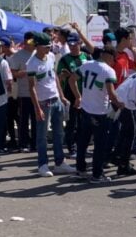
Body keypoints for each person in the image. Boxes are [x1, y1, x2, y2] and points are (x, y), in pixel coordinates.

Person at [72, 47, 120, 183]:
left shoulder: (86, 64)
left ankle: (80, 169)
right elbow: (111, 93)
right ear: (109, 57)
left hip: (86, 109)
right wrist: (120, 104)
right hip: (100, 112)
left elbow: (72, 79)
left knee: (83, 142)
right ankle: (97, 174)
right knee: (100, 144)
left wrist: (78, 96)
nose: (113, 62)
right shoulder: (108, 71)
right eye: (113, 59)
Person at [27, 32, 73, 177]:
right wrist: (37, 107)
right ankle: (43, 164)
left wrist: (62, 95)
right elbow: (31, 87)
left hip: (56, 100)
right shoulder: (31, 64)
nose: (48, 49)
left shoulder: (51, 57)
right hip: (43, 102)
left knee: (59, 133)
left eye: (49, 46)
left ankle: (60, 163)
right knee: (42, 135)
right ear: (38, 47)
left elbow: (54, 79)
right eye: (46, 47)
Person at [57, 24, 95, 159]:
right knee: (72, 122)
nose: (73, 47)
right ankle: (71, 148)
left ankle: (81, 147)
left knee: (84, 123)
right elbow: (58, 78)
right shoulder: (64, 59)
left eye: (75, 44)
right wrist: (62, 95)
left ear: (79, 43)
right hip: (71, 94)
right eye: (70, 44)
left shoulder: (87, 57)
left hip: (87, 94)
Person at [8, 34, 35, 153]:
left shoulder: (38, 54)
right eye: (30, 40)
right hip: (24, 93)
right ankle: (23, 143)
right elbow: (13, 73)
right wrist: (23, 73)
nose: (32, 43)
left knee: (36, 120)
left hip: (39, 93)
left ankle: (35, 143)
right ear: (25, 41)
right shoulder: (18, 56)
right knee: (23, 120)